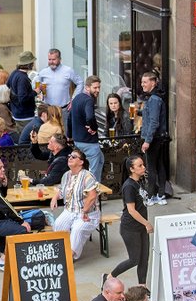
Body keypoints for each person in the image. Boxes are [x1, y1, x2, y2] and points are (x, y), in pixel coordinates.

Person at [51, 147, 100, 260]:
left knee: (77, 229)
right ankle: (60, 251)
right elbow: (62, 191)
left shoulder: (87, 176)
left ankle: (70, 256)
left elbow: (92, 195)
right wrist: (55, 197)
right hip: (70, 211)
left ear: (81, 162)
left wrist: (85, 211)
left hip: (87, 213)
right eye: (69, 156)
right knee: (58, 224)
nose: (70, 158)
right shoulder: (66, 175)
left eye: (74, 157)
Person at [111, 155, 152, 284]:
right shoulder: (129, 186)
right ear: (132, 169)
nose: (143, 167)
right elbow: (131, 210)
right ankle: (109, 277)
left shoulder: (139, 181)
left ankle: (142, 287)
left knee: (144, 259)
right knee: (134, 259)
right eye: (140, 165)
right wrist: (147, 223)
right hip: (130, 228)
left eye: (143, 164)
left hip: (141, 227)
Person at [138, 71, 171, 204]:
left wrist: (147, 140)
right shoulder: (155, 98)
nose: (142, 85)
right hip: (159, 137)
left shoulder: (154, 99)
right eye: (142, 82)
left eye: (145, 82)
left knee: (151, 167)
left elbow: (154, 122)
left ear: (153, 82)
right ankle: (161, 194)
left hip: (154, 138)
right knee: (160, 165)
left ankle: (151, 196)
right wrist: (140, 112)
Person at [68, 76, 104, 183]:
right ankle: (93, 194)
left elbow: (70, 118)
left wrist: (69, 135)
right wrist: (94, 128)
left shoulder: (77, 98)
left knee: (100, 160)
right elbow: (90, 117)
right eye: (95, 88)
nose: (97, 90)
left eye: (99, 87)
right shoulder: (89, 100)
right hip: (89, 142)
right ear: (87, 87)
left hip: (78, 141)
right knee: (93, 172)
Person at [7, 51, 37, 130]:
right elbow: (22, 98)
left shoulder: (14, 73)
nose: (33, 64)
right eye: (32, 62)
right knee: (26, 140)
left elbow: (7, 86)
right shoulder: (22, 78)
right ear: (28, 64)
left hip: (16, 112)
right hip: (24, 116)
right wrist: (35, 92)